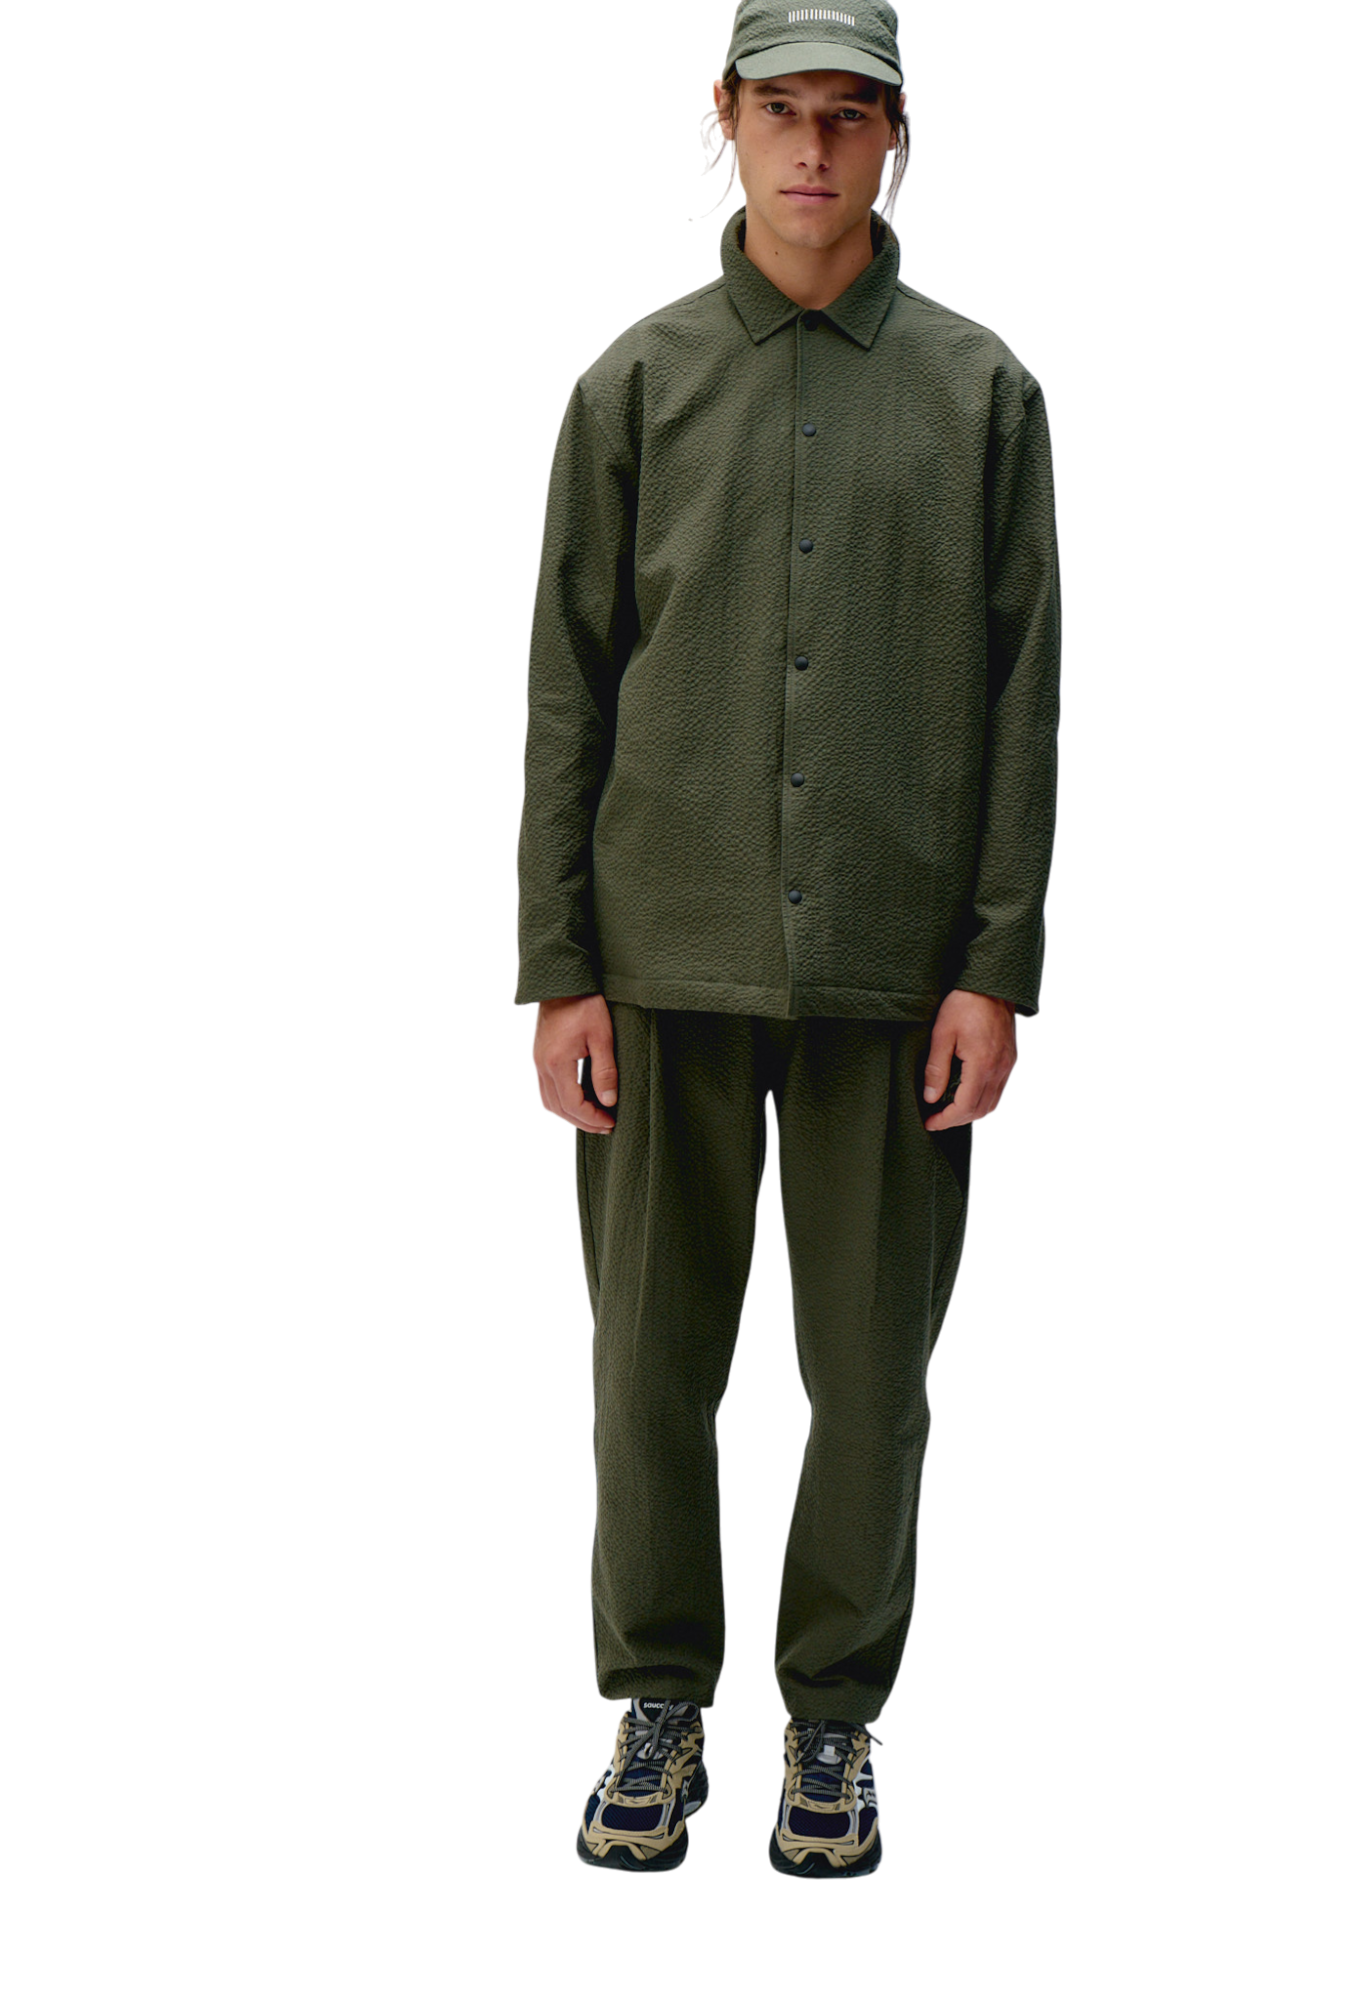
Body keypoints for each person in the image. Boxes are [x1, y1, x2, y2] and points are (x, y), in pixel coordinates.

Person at [515, 0, 1061, 1879]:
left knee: (874, 1376)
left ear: (899, 136)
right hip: (657, 957)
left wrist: (996, 962)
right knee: (645, 1372)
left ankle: (833, 1719)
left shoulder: (983, 393)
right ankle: (657, 1699)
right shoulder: (634, 386)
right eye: (781, 113)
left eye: (850, 115)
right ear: (722, 126)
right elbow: (566, 691)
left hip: (897, 972)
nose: (813, 150)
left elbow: (1026, 696)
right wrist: (557, 965)